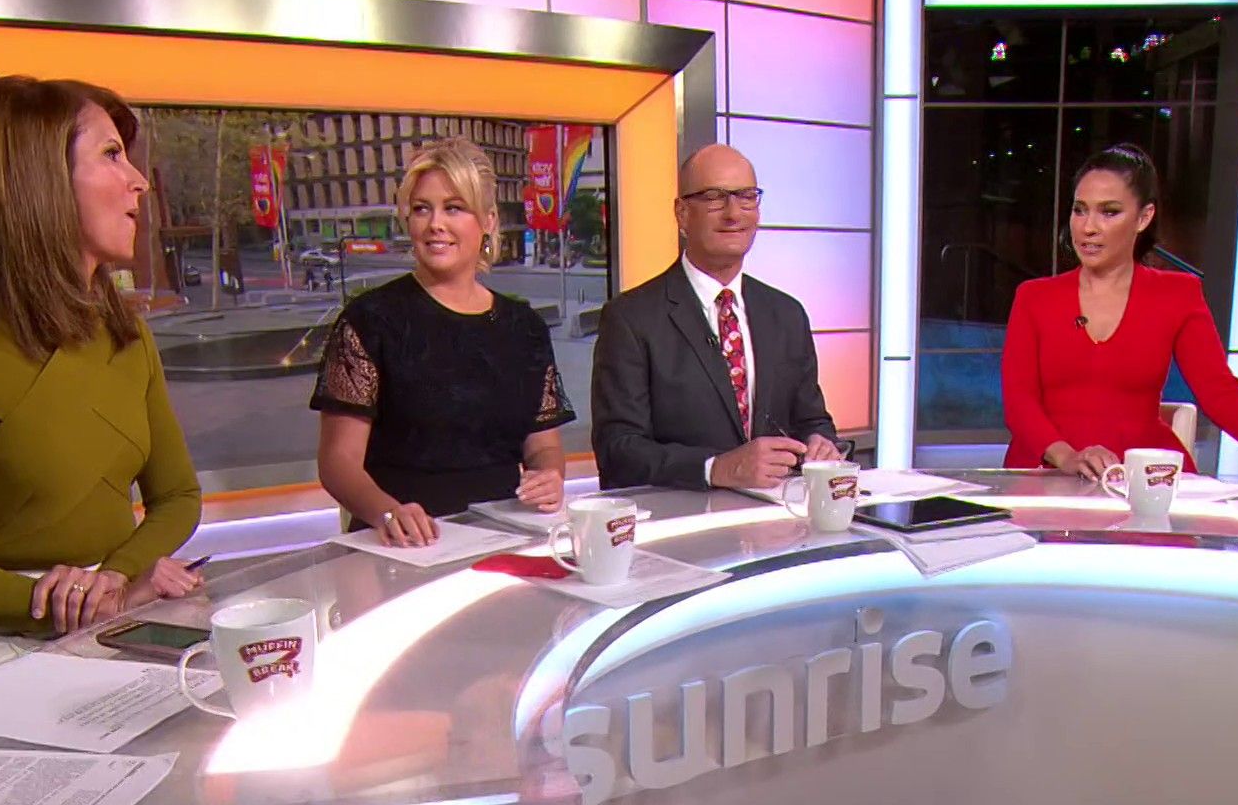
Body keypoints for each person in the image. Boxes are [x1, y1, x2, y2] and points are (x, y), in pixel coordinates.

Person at [0, 76, 204, 696]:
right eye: (112, 155)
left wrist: (117, 577)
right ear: (39, 180)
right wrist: (53, 601)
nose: (138, 181)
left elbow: (178, 496)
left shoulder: (127, 334)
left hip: (108, 622)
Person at [1003, 143, 1238, 487]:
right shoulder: (1034, 298)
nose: (1088, 227)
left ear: (1144, 217)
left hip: (1144, 481)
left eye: (1109, 212)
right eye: (1080, 210)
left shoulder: (1177, 294)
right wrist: (1068, 457)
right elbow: (1020, 402)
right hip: (1044, 474)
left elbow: (1221, 395)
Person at [310, 137, 574, 546]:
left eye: (453, 208)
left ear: (487, 221)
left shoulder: (524, 327)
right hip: (404, 545)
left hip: (504, 537)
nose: (435, 223)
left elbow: (542, 446)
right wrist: (387, 512)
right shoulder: (370, 319)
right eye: (421, 209)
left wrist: (550, 476)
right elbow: (338, 463)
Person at [591, 144, 841, 491]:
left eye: (746, 197)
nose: (733, 213)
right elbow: (617, 450)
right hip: (681, 518)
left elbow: (812, 419)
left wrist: (820, 443)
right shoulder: (631, 318)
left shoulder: (786, 314)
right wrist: (714, 468)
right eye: (714, 197)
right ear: (682, 213)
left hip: (779, 515)